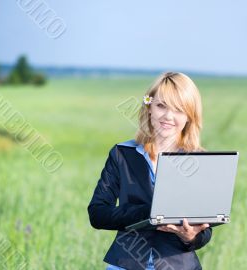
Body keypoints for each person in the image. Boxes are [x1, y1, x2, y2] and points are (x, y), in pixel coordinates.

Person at [87, 72, 212, 270]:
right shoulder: (122, 154)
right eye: (161, 106)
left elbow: (205, 227)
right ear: (149, 108)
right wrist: (148, 214)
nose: (168, 116)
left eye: (179, 109)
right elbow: (98, 213)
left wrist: (190, 237)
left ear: (189, 116)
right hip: (125, 264)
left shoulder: (198, 161)